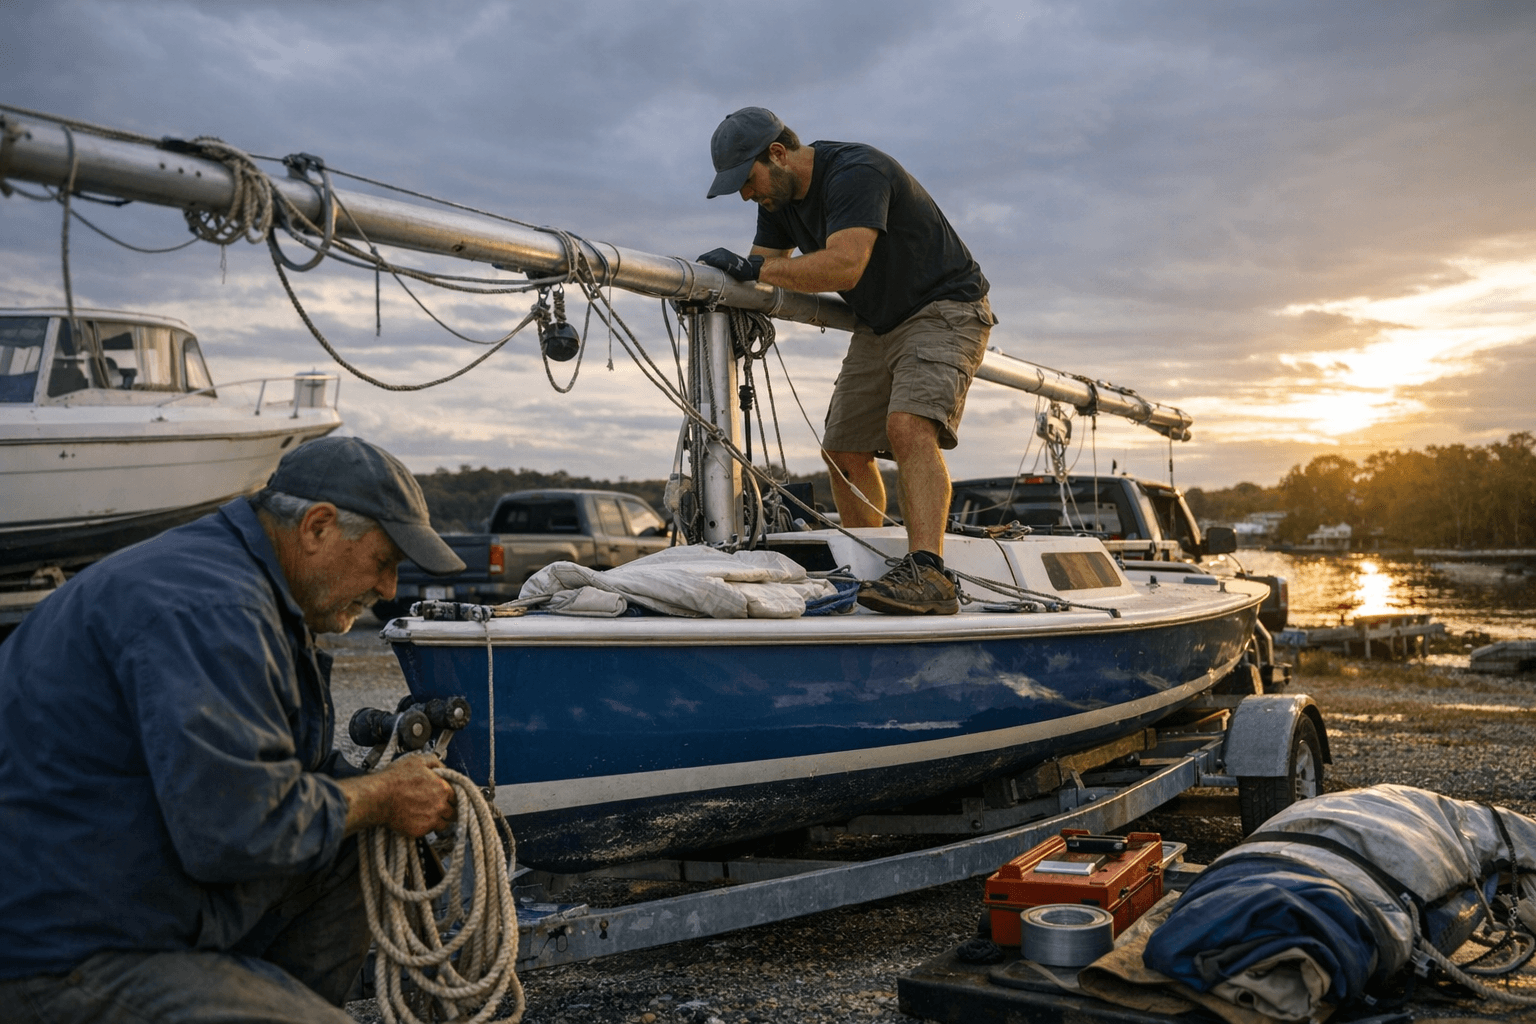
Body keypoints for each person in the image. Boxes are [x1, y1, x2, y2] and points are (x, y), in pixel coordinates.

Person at [0, 436, 467, 1023]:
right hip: (52, 949)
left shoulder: (235, 580)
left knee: (359, 844)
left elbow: (279, 777)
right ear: (317, 527)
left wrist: (391, 800)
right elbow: (237, 827)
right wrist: (382, 793)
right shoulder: (214, 609)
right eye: (384, 561)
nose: (390, 590)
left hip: (125, 891)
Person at [699, 106, 996, 616]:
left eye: (746, 181)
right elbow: (763, 268)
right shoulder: (778, 196)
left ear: (777, 154)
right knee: (843, 449)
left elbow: (845, 264)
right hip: (878, 323)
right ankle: (871, 570)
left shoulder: (857, 172)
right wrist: (728, 282)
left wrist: (755, 267)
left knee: (908, 427)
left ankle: (930, 574)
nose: (747, 194)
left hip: (945, 307)